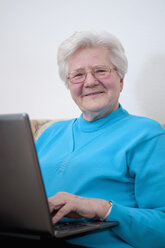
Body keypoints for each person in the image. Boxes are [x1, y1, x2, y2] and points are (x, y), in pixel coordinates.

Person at [36, 31, 165, 248]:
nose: (90, 81)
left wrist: (103, 208)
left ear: (121, 80)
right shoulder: (50, 133)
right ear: (69, 85)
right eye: (78, 75)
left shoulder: (146, 134)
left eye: (101, 71)